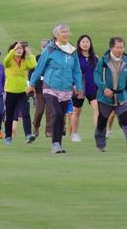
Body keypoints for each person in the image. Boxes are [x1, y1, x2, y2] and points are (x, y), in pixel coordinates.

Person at [29, 24, 84, 154]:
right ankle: (55, 144)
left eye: (67, 32)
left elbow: (76, 70)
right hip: (50, 87)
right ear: (56, 35)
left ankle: (58, 144)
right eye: (63, 32)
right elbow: (40, 68)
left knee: (61, 117)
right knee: (57, 113)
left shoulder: (72, 51)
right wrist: (31, 84)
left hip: (66, 89)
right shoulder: (49, 49)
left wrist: (79, 86)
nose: (66, 34)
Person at [93, 37, 127, 153]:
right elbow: (96, 76)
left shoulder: (126, 61)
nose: (120, 50)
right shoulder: (103, 61)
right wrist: (104, 88)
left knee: (125, 118)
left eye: (122, 47)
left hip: (121, 96)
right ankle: (100, 144)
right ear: (111, 47)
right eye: (117, 47)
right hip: (105, 97)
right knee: (102, 121)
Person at [3, 41, 37, 145]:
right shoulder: (9, 61)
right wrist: (14, 49)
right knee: (9, 116)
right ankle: (8, 136)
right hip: (10, 92)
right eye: (17, 48)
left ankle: (28, 135)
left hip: (22, 92)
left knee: (25, 113)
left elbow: (34, 65)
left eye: (21, 49)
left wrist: (30, 53)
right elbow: (5, 61)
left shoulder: (24, 62)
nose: (19, 50)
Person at [70, 35, 99, 143]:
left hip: (93, 87)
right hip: (79, 86)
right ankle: (75, 134)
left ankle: (98, 133)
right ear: (79, 44)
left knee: (97, 108)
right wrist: (73, 85)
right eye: (83, 42)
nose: (85, 44)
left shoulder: (95, 57)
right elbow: (71, 71)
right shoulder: (75, 57)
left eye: (87, 42)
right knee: (76, 111)